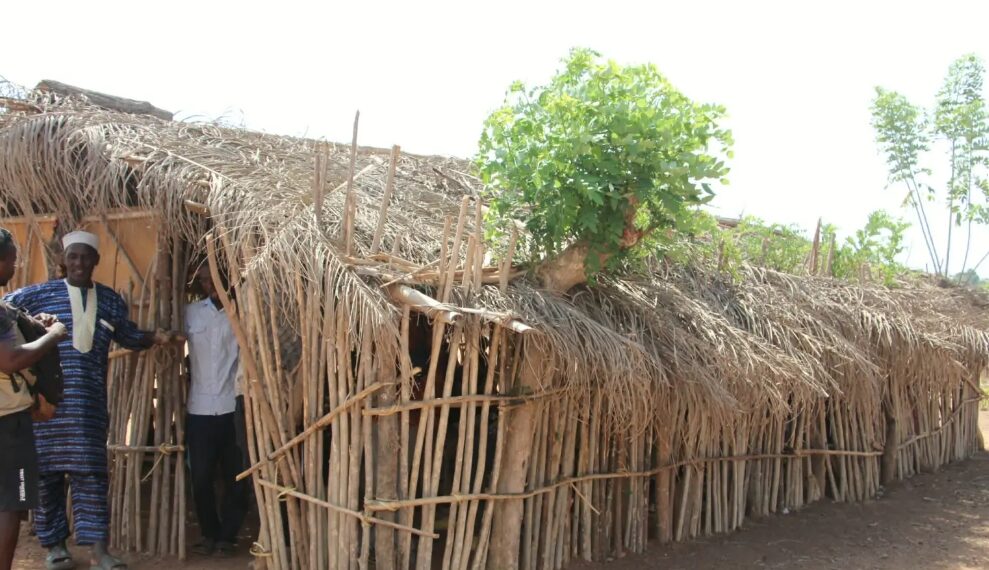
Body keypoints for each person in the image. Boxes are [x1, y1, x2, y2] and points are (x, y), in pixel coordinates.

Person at [4, 230, 182, 570]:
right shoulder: (40, 293)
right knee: (46, 478)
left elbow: (127, 334)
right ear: (62, 260)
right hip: (49, 407)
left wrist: (156, 337)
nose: (79, 263)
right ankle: (56, 548)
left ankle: (99, 551)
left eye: (86, 257)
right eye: (73, 257)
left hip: (89, 407)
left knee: (92, 476)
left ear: (96, 261)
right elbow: (6, 309)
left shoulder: (111, 300)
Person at [0, 228, 68, 570]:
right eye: (11, 259)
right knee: (9, 506)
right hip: (6, 423)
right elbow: (10, 360)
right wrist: (54, 334)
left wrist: (31, 325)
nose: (15, 266)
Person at [184, 262, 249, 556]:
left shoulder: (244, 314)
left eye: (213, 279)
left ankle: (227, 535)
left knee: (236, 475)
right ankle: (210, 532)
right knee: (200, 476)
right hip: (199, 408)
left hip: (232, 406)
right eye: (204, 280)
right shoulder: (191, 314)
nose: (209, 285)